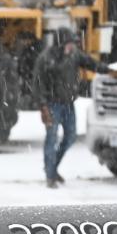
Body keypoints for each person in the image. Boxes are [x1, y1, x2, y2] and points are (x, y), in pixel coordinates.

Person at [34, 26, 101, 188]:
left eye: (73, 43)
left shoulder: (74, 55)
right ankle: (50, 175)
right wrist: (43, 106)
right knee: (51, 138)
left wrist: (110, 71)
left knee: (70, 137)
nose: (72, 46)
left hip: (68, 104)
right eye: (69, 43)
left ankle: (52, 167)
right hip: (52, 105)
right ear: (60, 43)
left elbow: (91, 64)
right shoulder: (45, 59)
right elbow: (38, 84)